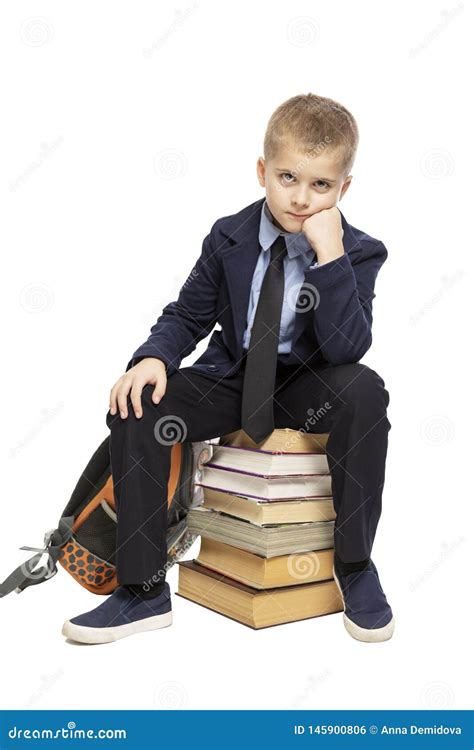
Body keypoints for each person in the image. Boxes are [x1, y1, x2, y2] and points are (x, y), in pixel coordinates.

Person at [62, 92, 394, 645]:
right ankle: (142, 591)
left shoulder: (358, 251)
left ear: (344, 189)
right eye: (288, 177)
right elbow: (188, 313)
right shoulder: (228, 237)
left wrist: (330, 257)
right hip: (231, 377)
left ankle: (355, 566)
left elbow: (345, 348)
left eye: (321, 185)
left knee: (367, 390)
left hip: (303, 384)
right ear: (263, 170)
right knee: (139, 402)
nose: (302, 197)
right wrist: (153, 357)